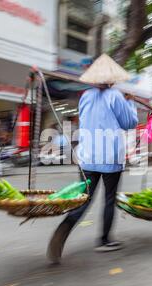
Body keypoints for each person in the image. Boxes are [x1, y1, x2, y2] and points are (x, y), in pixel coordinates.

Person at [47, 54, 138, 263]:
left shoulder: (85, 96)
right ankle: (104, 240)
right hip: (110, 157)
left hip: (87, 157)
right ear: (112, 79)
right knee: (109, 199)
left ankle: (64, 229)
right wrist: (130, 103)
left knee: (84, 200)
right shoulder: (115, 96)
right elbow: (129, 123)